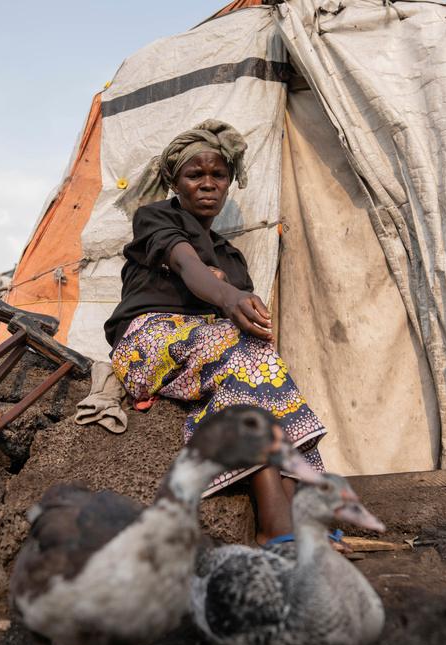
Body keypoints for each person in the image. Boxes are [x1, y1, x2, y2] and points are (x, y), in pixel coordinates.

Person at [105, 120, 326, 545]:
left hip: (210, 353)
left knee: (263, 366)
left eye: (218, 175)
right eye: (195, 175)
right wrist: (227, 297)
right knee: (246, 356)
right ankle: (277, 523)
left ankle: (300, 518)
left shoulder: (231, 255)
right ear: (173, 181)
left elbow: (235, 319)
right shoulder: (156, 219)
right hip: (146, 342)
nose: (208, 184)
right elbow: (187, 266)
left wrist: (244, 311)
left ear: (229, 182)